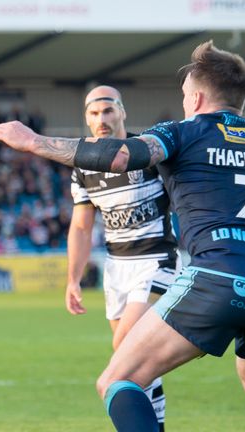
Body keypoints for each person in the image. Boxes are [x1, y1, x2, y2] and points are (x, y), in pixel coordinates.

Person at [0, 41, 245, 432]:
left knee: (117, 380)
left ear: (197, 96)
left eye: (185, 95)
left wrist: (33, 141)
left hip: (217, 276)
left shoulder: (183, 132)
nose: (184, 102)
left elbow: (118, 157)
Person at [66, 85, 178, 429]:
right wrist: (73, 277)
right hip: (117, 269)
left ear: (122, 113)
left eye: (108, 111)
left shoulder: (146, 154)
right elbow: (82, 227)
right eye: (94, 113)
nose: (102, 119)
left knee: (126, 349)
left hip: (157, 261)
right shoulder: (83, 167)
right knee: (138, 360)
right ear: (86, 118)